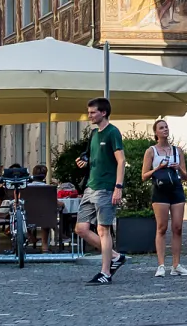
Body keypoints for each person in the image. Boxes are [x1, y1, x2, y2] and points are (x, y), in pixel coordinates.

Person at [74, 97, 126, 285]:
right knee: (81, 228)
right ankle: (115, 257)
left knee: (103, 230)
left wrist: (118, 187)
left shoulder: (113, 133)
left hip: (106, 188)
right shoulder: (94, 134)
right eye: (89, 112)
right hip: (91, 187)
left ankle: (105, 273)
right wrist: (84, 161)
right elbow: (92, 155)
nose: (89, 116)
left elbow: (121, 160)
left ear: (103, 113)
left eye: (93, 112)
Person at [142, 119, 187, 277]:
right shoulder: (151, 151)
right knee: (161, 228)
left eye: (166, 127)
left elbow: (185, 177)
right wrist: (158, 168)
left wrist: (179, 168)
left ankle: (176, 265)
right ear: (156, 132)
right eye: (161, 128)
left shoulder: (177, 151)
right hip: (160, 190)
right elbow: (144, 176)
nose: (165, 130)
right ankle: (161, 265)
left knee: (178, 228)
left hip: (176, 189)